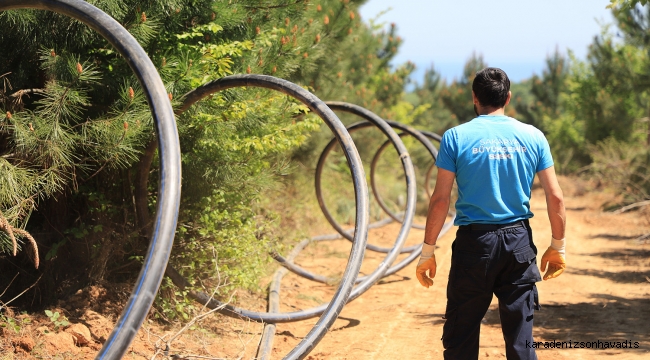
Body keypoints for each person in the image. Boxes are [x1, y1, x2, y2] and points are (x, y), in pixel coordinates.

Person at [415, 67, 567, 360]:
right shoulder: (533, 136)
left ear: (474, 98)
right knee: (521, 340)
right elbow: (556, 196)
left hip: (475, 245)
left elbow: (440, 200)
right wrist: (557, 246)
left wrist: (427, 251)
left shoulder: (455, 137)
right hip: (519, 245)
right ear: (508, 98)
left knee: (462, 335)